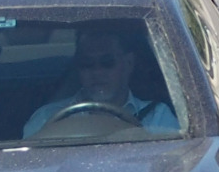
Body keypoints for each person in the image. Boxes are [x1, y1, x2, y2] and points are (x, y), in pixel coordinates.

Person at [22, 25, 181, 137]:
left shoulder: (158, 118)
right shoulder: (45, 119)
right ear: (78, 68)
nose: (97, 72)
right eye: (87, 64)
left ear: (128, 64)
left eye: (107, 62)